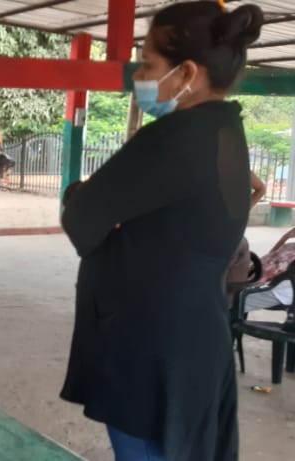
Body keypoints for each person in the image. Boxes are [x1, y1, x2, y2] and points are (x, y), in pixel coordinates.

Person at [60, 2, 263, 460]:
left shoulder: (173, 136)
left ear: (187, 72)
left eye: (149, 63)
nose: (140, 75)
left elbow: (82, 218)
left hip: (149, 342)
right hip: (198, 333)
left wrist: (92, 201)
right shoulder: (227, 132)